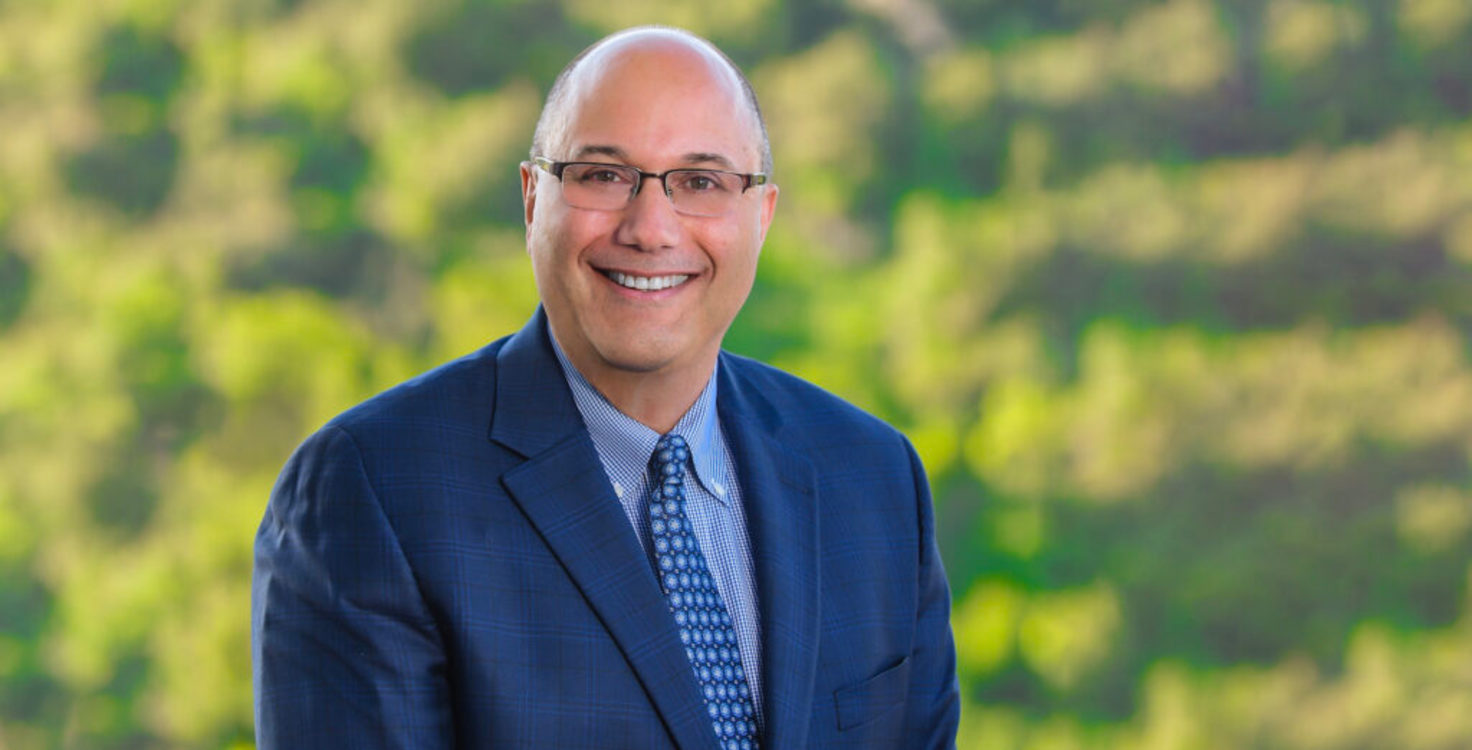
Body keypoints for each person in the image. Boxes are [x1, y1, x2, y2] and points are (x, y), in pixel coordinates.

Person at [252, 25, 960, 749]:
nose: (651, 229)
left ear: (762, 215)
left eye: (701, 182)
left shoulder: (873, 478)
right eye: (602, 175)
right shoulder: (373, 490)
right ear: (533, 199)